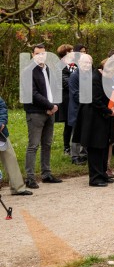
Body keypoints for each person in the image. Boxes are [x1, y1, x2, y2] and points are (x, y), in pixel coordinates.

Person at [74, 58, 114, 187]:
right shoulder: (94, 79)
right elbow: (95, 100)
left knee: (104, 146)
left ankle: (102, 173)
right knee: (96, 147)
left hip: (103, 116)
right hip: (93, 118)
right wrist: (109, 111)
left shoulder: (106, 78)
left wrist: (112, 108)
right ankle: (95, 177)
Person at [23, 44, 62, 188]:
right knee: (33, 145)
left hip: (50, 111)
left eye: (43, 53)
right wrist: (49, 106)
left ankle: (46, 174)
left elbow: (56, 88)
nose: (41, 56)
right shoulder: (28, 71)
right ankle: (30, 178)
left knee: (47, 144)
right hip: (36, 112)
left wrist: (54, 105)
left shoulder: (48, 69)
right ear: (32, 54)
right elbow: (32, 94)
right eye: (38, 53)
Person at [0, 94, 33, 195]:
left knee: (11, 158)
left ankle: (17, 188)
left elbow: (2, 107)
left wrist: (2, 122)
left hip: (0, 133)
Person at [68, 53, 91, 165]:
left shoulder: (91, 75)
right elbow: (75, 94)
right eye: (84, 62)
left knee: (86, 131)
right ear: (79, 63)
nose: (87, 65)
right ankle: (75, 156)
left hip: (88, 108)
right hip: (77, 108)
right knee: (76, 132)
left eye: (89, 63)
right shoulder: (74, 76)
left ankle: (84, 154)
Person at [56, 43, 76, 155]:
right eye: (71, 51)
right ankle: (66, 147)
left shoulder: (75, 65)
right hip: (67, 98)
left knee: (76, 123)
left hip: (77, 96)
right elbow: (66, 83)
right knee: (69, 123)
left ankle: (76, 146)